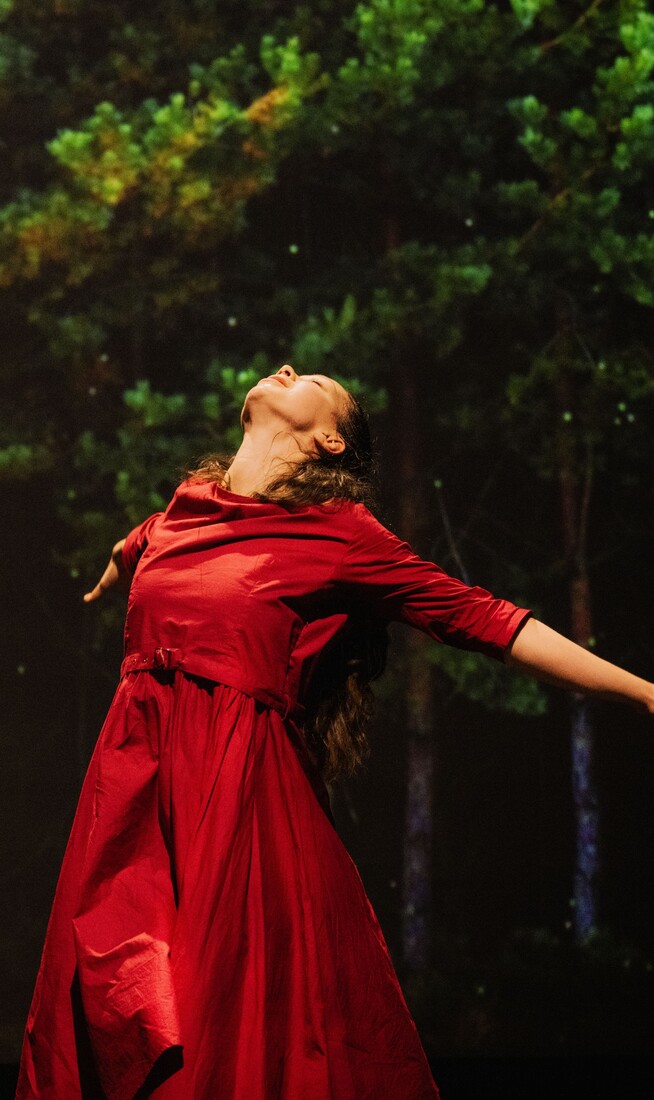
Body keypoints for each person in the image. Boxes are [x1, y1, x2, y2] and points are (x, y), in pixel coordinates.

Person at [15, 364, 654, 1100]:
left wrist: (640, 693)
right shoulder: (179, 512)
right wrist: (119, 558)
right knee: (109, 994)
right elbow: (147, 539)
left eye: (313, 378)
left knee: (219, 1019)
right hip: (134, 791)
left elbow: (484, 619)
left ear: (328, 441)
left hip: (235, 801)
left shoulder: (341, 535)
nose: (286, 367)